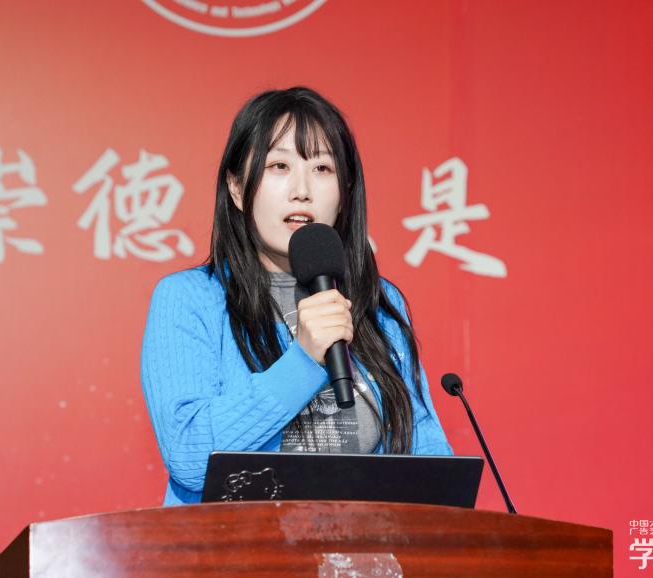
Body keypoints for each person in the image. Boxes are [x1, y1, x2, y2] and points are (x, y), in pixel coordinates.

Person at [141, 87, 452, 506]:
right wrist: (304, 361)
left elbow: (428, 458)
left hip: (361, 545)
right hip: (233, 545)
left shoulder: (377, 301)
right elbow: (189, 457)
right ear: (237, 187)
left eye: (322, 168)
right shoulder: (189, 298)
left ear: (344, 191)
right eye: (279, 166)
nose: (302, 190)